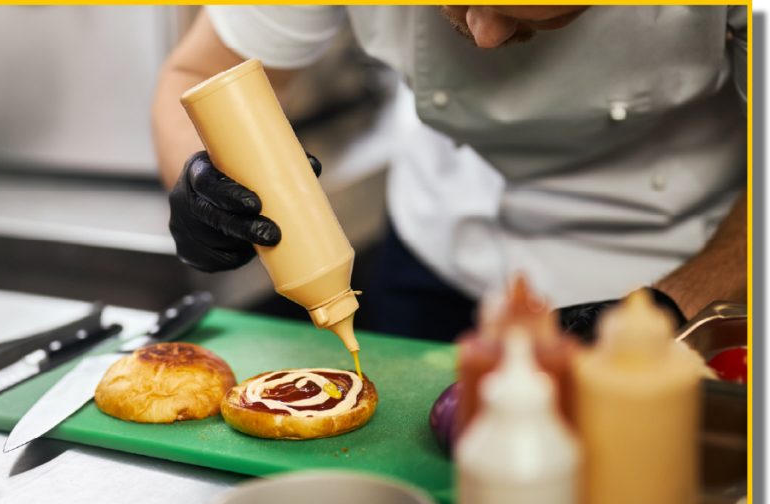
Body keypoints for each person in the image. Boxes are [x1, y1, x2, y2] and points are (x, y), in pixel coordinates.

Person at [152, 5, 748, 342]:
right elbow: (198, 70)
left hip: (671, 261)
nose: (485, 36)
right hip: (437, 245)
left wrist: (678, 306)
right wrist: (201, 180)